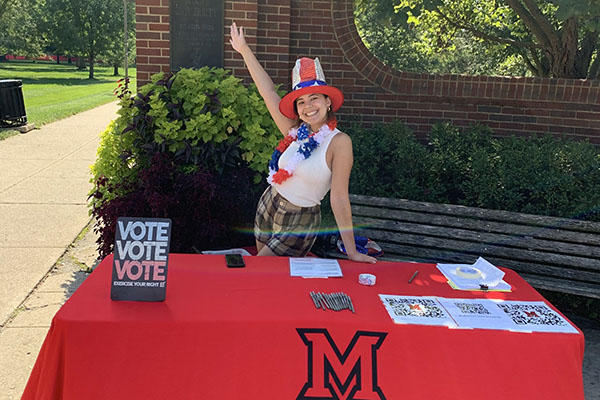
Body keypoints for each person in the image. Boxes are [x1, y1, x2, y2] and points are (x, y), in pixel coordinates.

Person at [229, 22, 376, 264]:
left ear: (328, 101)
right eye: (301, 102)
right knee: (267, 282)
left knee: (261, 269)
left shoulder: (339, 143)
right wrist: (244, 50)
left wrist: (351, 251)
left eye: (314, 98)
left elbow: (339, 198)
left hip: (300, 219)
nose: (308, 107)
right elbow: (268, 93)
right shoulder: (296, 131)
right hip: (269, 202)